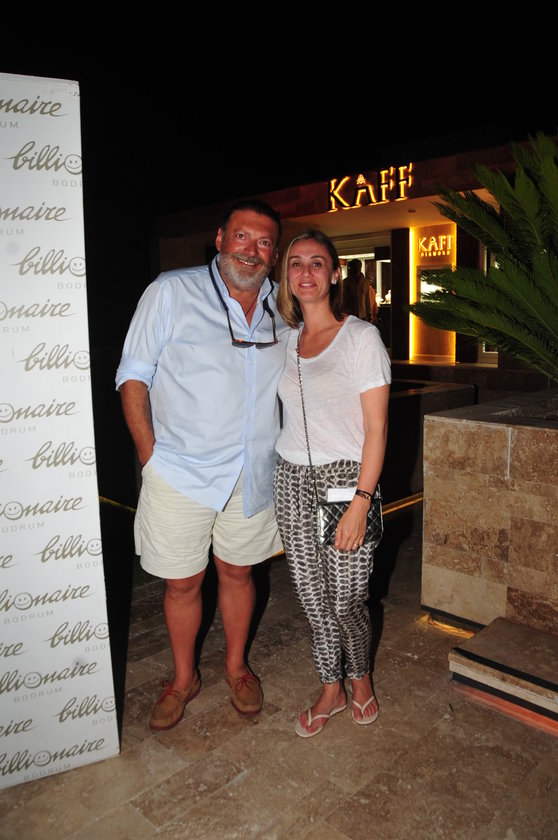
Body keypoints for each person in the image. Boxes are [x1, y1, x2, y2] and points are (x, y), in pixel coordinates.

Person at [115, 199, 288, 732]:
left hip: (252, 472)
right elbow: (133, 376)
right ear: (219, 239)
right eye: (242, 237)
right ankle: (183, 678)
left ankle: (236, 668)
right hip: (181, 472)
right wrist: (150, 457)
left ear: (274, 253)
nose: (251, 251)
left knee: (238, 572)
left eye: (263, 242)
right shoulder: (172, 291)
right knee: (182, 583)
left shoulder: (284, 308)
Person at [273, 230, 391, 738]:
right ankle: (331, 688)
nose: (306, 272)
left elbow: (377, 429)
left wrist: (362, 502)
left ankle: (360, 676)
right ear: (286, 275)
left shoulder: (361, 338)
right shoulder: (283, 339)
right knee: (311, 598)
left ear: (335, 273)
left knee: (346, 599)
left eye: (317, 263)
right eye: (296, 263)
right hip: (290, 478)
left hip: (346, 481)